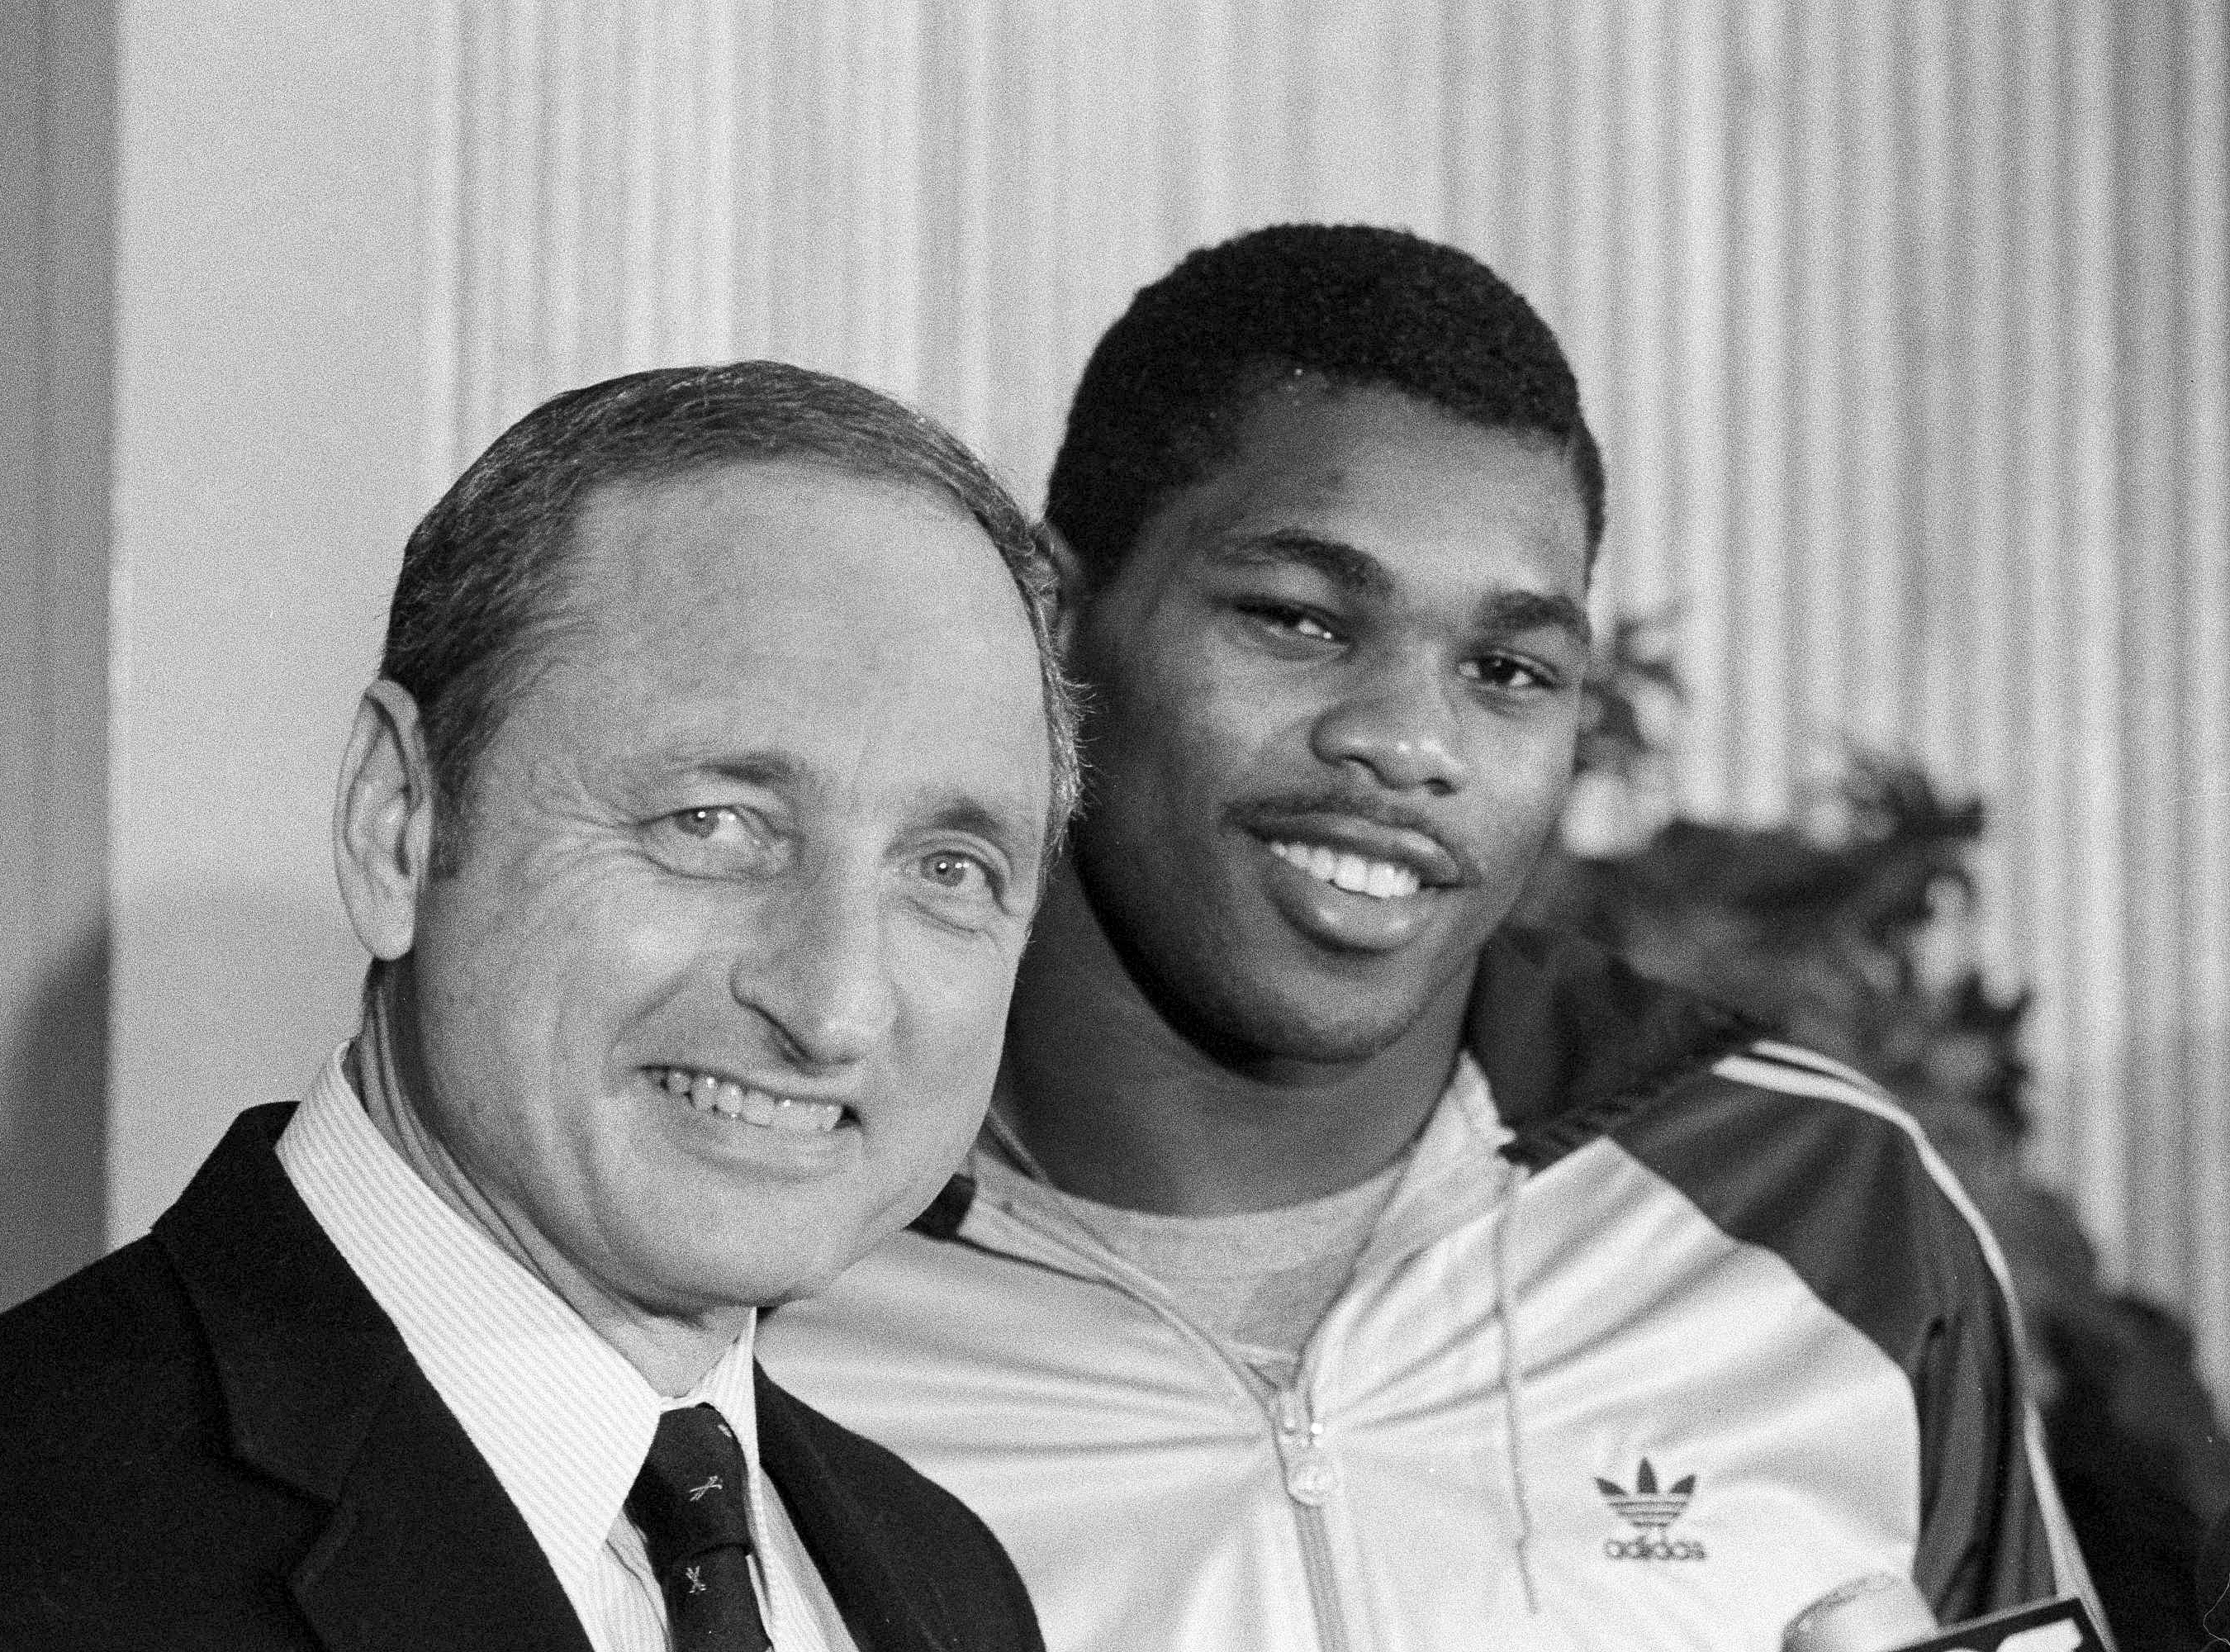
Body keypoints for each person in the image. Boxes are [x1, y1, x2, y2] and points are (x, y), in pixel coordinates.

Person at [762, 226, 2100, 1651]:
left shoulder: (1827, 1213)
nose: (1409, 744)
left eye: (1507, 670)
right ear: (1053, 620)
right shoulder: (766, 1231)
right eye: (1294, 620)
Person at [0, 361, 1076, 1651]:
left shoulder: (939, 1576)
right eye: (711, 822)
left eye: (949, 869)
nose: (832, 1001)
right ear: (400, 823)